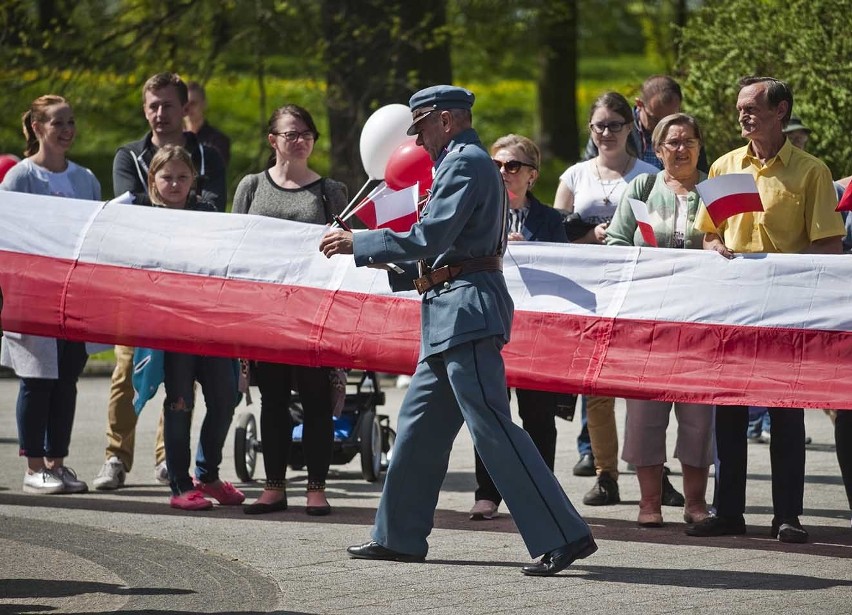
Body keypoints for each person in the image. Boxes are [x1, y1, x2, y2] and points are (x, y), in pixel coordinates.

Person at [320, 85, 596, 576]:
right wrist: (384, 259)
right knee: (418, 431)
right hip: (450, 312)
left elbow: (433, 236)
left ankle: (564, 534)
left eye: (422, 126)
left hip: (465, 313)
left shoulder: (465, 161)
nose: (418, 139)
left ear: (446, 119)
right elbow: (445, 249)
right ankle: (398, 536)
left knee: (492, 427)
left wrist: (361, 241)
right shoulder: (457, 161)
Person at [687, 76, 845, 543]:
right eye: (740, 108)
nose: (742, 115)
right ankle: (729, 511)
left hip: (788, 312)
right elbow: (710, 233)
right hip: (734, 310)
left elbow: (830, 245)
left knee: (786, 415)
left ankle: (787, 517)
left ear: (782, 111)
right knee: (729, 411)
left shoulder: (812, 171)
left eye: (753, 107)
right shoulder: (722, 167)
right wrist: (714, 245)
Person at [93, 72, 227, 491]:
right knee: (128, 367)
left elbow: (214, 216)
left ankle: (168, 459)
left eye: (168, 105)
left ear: (184, 108)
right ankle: (116, 457)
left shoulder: (208, 156)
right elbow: (133, 216)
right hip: (139, 287)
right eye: (152, 105)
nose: (159, 113)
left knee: (178, 377)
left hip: (191, 288)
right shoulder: (127, 156)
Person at [233, 104, 347, 516]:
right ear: (272, 141)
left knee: (316, 400)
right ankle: (273, 487)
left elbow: (343, 251)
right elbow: (236, 246)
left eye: (306, 134)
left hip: (313, 311)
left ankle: (316, 488)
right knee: (273, 399)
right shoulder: (250, 186)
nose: (299, 141)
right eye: (290, 134)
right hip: (267, 312)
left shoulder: (331, 190)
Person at [606, 112, 714, 527]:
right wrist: (640, 259)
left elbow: (734, 240)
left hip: (700, 324)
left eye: (689, 141)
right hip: (647, 325)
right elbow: (616, 240)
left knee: (698, 418)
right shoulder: (642, 186)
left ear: (701, 145)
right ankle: (648, 503)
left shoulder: (713, 189)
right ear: (656, 147)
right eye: (672, 142)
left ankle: (696, 505)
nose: (681, 149)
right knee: (644, 417)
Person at [553, 91, 659, 507]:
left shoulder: (649, 174)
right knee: (596, 388)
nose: (606, 133)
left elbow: (663, 230)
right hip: (590, 294)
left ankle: (654, 473)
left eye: (615, 125)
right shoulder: (574, 175)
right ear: (590, 130)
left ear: (631, 128)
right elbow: (554, 233)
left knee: (644, 389)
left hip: (639, 289)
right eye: (599, 126)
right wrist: (588, 234)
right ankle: (605, 474)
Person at [131, 144, 244, 510]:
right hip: (171, 329)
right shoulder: (143, 218)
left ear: (194, 179)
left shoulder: (208, 212)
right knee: (179, 403)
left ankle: (207, 475)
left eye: (183, 177)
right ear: (153, 180)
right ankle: (180, 485)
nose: (175, 184)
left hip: (210, 325)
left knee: (226, 397)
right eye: (167, 177)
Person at [0, 95, 100, 494]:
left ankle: (58, 462)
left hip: (71, 297)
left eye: (71, 122)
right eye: (58, 123)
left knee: (66, 380)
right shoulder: (20, 179)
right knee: (36, 379)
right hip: (31, 294)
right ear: (38, 128)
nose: (67, 130)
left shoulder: (85, 179)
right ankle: (33, 466)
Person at [469, 134, 569, 521]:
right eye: (496, 165)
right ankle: (487, 493)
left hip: (536, 332)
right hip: (489, 321)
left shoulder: (551, 221)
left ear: (532, 176)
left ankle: (540, 493)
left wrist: (529, 248)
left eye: (512, 166)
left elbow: (564, 271)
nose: (503, 173)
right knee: (490, 411)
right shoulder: (477, 210)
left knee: (538, 417)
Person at [583, 75, 709, 173]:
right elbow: (589, 171)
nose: (663, 127)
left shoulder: (688, 132)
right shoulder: (615, 128)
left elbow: (700, 176)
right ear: (639, 104)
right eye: (655, 119)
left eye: (671, 119)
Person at [186, 81, 231, 168]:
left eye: (193, 103)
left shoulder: (219, 141)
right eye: (185, 104)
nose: (188, 108)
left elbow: (215, 173)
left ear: (204, 104)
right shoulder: (172, 139)